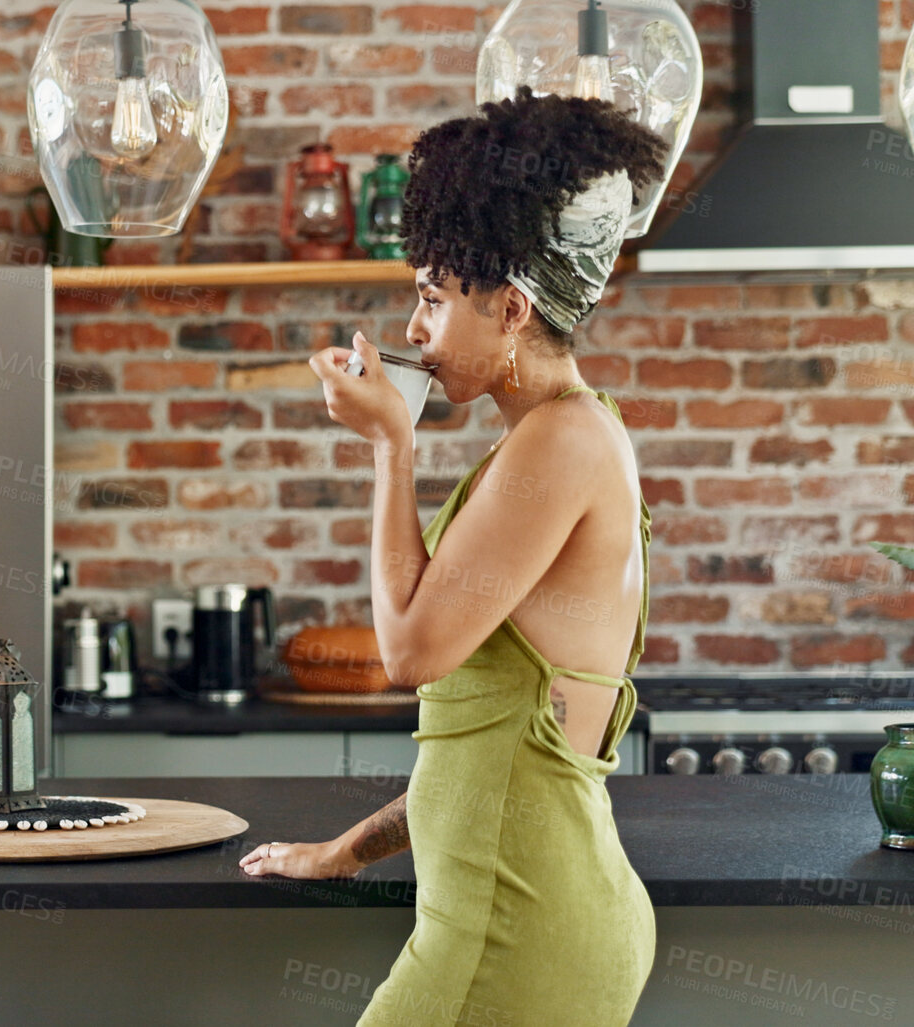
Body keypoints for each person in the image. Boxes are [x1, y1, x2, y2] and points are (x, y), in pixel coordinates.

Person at [236, 87, 670, 1027]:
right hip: (527, 916)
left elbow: (410, 654)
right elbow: (489, 754)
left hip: (515, 933)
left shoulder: (559, 443)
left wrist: (392, 447)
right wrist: (345, 850)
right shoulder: (555, 440)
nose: (413, 330)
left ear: (511, 308)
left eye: (432, 299)